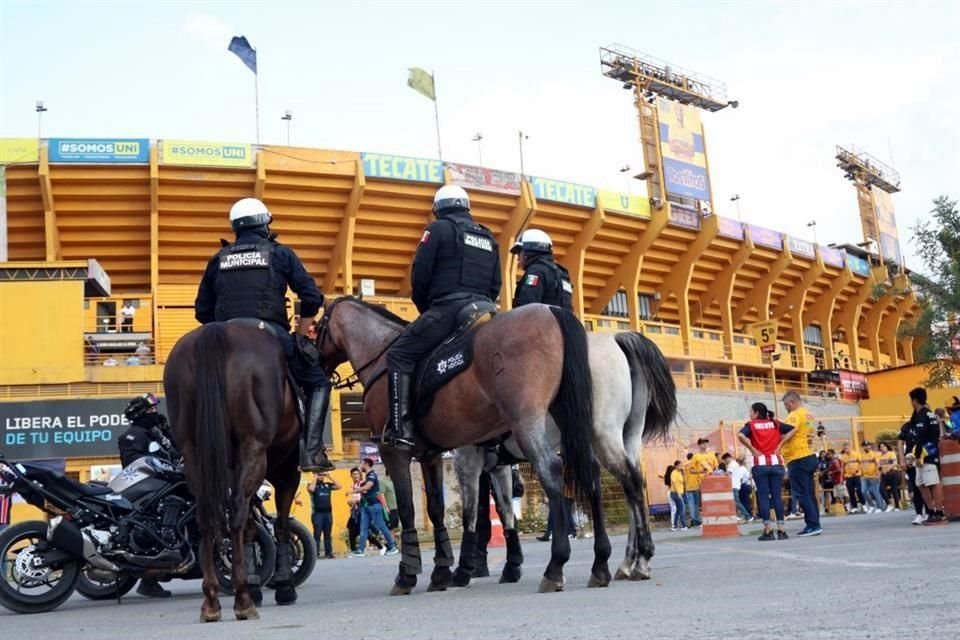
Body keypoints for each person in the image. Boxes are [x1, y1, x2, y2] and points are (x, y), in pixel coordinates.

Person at [194, 197, 334, 473]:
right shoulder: (280, 254)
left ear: (235, 227)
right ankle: (312, 451)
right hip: (269, 332)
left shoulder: (217, 259)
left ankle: (189, 451)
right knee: (318, 383)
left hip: (222, 334)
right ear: (264, 224)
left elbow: (202, 311)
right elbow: (310, 297)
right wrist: (301, 331)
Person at [384, 185, 501, 451]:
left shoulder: (436, 230)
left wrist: (427, 309)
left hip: (450, 308)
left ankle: (401, 429)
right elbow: (496, 284)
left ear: (438, 209)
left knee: (399, 355)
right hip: (486, 311)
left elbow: (421, 273)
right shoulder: (488, 236)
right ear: (466, 206)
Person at [118, 393, 178, 598]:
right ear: (141, 414)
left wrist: (167, 432)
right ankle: (150, 579)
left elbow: (177, 453)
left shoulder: (154, 433)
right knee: (173, 505)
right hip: (145, 490)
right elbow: (134, 464)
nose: (155, 413)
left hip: (163, 484)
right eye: (151, 410)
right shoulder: (132, 435)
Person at [737, 402, 796, 541]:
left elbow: (740, 435)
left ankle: (768, 530)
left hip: (760, 464)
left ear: (757, 413)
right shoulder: (775, 423)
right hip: (776, 463)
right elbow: (793, 429)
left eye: (751, 412)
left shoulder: (751, 425)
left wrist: (752, 449)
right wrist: (780, 444)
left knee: (763, 496)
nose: (750, 415)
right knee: (777, 496)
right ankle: (781, 530)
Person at [902, 388, 946, 525]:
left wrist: (919, 455)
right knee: (921, 483)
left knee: (933, 482)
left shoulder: (925, 415)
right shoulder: (919, 415)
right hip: (919, 456)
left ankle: (939, 512)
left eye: (911, 399)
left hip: (927, 455)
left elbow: (921, 437)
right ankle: (931, 511)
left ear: (914, 400)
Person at [781, 391, 822, 536]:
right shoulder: (808, 415)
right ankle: (815, 523)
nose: (786, 407)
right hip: (809, 455)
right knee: (810, 493)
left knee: (802, 493)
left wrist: (780, 443)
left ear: (791, 402)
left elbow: (790, 430)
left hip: (797, 457)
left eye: (786, 405)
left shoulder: (794, 415)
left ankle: (812, 525)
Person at [510, 229, 573, 308]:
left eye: (519, 252)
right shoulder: (561, 274)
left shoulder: (535, 272)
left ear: (529, 251)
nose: (518, 258)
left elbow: (527, 306)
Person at [349, 459, 399, 557]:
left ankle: (392, 547)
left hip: (374, 505)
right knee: (363, 528)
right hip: (365, 506)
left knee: (381, 526)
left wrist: (354, 491)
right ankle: (361, 550)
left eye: (361, 463)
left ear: (366, 464)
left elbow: (368, 486)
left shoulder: (372, 475)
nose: (360, 466)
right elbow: (363, 484)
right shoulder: (366, 477)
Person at [346, 467, 384, 554]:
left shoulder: (363, 484)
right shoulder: (352, 486)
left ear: (360, 475)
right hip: (354, 512)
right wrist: (350, 502)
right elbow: (350, 500)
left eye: (357, 474)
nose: (355, 476)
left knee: (362, 531)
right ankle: (353, 550)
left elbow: (366, 496)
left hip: (363, 510)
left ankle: (380, 546)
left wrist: (356, 501)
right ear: (351, 476)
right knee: (351, 530)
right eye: (354, 474)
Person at [308, 472, 341, 559]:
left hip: (328, 514)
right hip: (317, 514)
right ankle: (316, 553)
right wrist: (315, 477)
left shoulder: (327, 485)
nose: (321, 476)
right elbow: (311, 489)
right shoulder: (312, 485)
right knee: (317, 534)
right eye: (319, 475)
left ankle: (329, 553)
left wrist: (329, 476)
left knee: (327, 534)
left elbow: (339, 486)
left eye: (322, 475)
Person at [722, 453, 752, 521]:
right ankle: (739, 515)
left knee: (736, 502)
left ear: (727, 458)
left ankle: (748, 516)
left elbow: (728, 474)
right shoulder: (735, 464)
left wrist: (721, 473)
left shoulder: (731, 464)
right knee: (735, 502)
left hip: (733, 485)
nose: (725, 462)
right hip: (736, 485)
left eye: (725, 460)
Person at [859, 442, 884, 513]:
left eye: (867, 445)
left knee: (875, 491)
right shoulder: (862, 455)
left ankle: (880, 507)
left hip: (874, 476)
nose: (866, 447)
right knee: (863, 491)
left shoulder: (874, 454)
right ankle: (872, 505)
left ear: (870, 446)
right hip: (865, 477)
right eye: (864, 446)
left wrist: (878, 475)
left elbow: (878, 465)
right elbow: (861, 466)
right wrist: (861, 475)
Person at [840, 443, 863, 513]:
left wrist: (857, 470)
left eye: (847, 448)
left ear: (850, 447)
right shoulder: (843, 457)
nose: (846, 450)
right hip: (848, 476)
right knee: (851, 491)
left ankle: (863, 504)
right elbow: (842, 467)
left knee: (859, 490)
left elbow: (861, 463)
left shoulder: (856, 454)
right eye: (845, 449)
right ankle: (854, 506)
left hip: (857, 475)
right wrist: (841, 477)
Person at [877, 442, 901, 511]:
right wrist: (880, 468)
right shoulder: (880, 456)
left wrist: (888, 469)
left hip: (893, 473)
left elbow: (895, 463)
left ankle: (897, 506)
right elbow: (879, 465)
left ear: (887, 447)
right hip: (884, 475)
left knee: (894, 489)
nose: (882, 448)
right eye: (881, 447)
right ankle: (889, 504)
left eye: (883, 446)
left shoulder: (891, 453)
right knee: (881, 489)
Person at [667, 461, 687, 531]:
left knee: (678, 510)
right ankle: (683, 525)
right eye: (679, 465)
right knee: (682, 509)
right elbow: (674, 483)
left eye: (682, 465)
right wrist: (678, 493)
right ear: (675, 466)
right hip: (675, 493)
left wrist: (683, 474)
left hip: (680, 492)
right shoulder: (674, 473)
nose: (681, 467)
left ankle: (674, 526)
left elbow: (683, 482)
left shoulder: (680, 473)